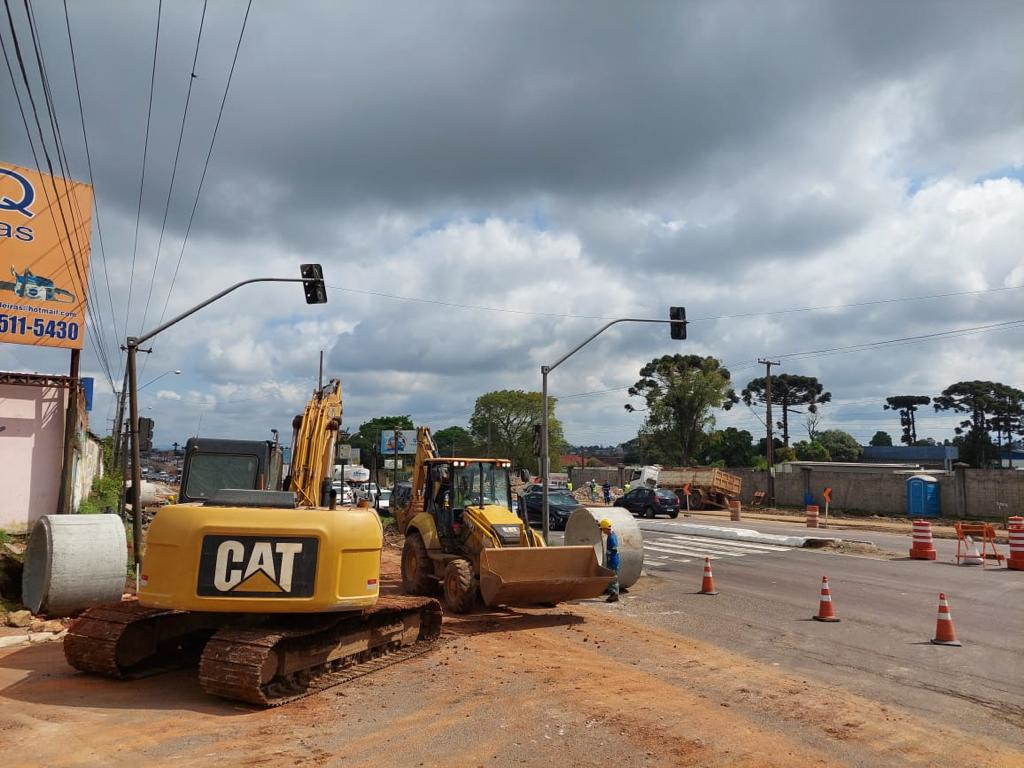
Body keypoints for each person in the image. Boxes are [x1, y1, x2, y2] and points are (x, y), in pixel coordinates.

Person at [600, 518, 620, 602]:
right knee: (612, 577)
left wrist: (608, 552)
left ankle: (614, 595)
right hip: (614, 560)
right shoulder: (612, 534)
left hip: (612, 561)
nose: (602, 531)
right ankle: (613, 593)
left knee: (613, 578)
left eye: (602, 529)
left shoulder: (611, 538)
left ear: (605, 528)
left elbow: (614, 549)